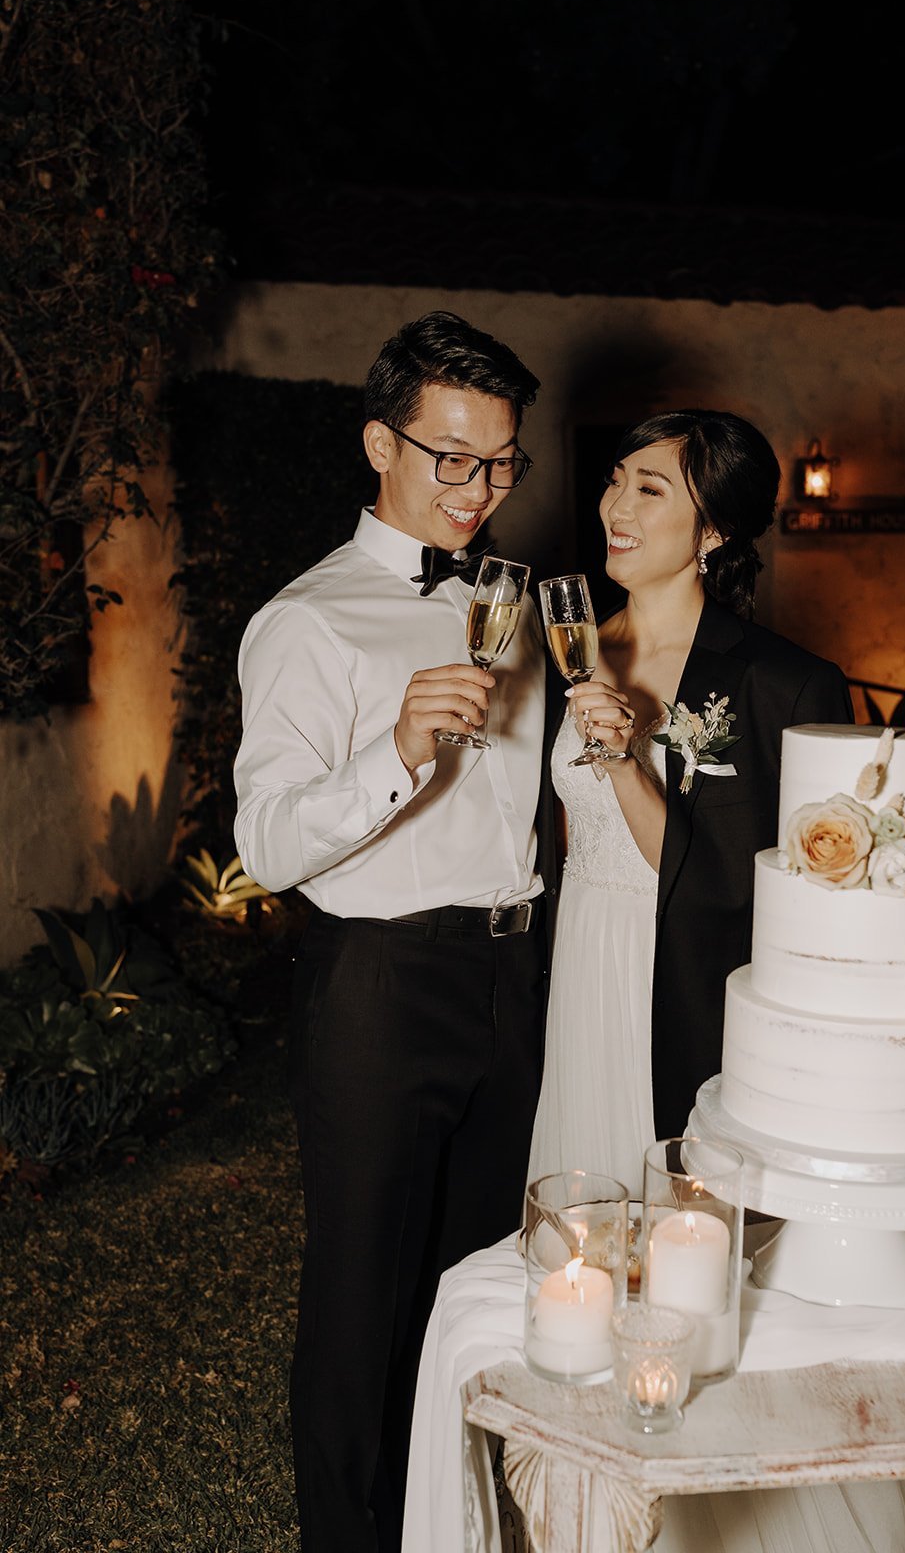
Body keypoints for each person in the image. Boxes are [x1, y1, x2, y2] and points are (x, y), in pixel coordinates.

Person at [527, 408, 905, 1550]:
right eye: (615, 482)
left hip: (695, 998)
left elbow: (764, 885)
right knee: (588, 1247)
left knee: (704, 1264)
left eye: (651, 492)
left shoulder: (780, 678)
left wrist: (627, 759)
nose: (616, 509)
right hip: (583, 974)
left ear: (714, 527)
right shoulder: (565, 648)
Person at [233, 311, 546, 1553]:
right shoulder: (305, 621)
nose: (478, 491)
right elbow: (266, 844)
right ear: (379, 441)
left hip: (513, 971)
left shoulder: (517, 599)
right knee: (362, 1294)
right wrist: (397, 750)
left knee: (479, 1283)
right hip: (377, 982)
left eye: (503, 461)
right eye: (450, 458)